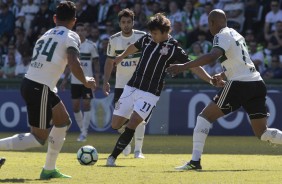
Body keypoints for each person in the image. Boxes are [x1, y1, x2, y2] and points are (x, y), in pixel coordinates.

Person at [166, 9, 282, 171]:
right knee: (263, 133)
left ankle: (195, 162)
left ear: (213, 23)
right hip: (257, 83)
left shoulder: (220, 36)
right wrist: (223, 74)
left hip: (240, 85)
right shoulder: (235, 33)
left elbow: (213, 56)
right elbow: (241, 62)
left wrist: (184, 66)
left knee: (204, 118)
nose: (208, 27)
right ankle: (194, 162)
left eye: (208, 23)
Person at [105, 13, 216, 167]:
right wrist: (122, 56)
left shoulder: (173, 47)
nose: (152, 35)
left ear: (165, 32)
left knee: (133, 123)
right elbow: (133, 47)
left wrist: (210, 79)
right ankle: (128, 131)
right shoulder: (146, 39)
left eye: (155, 33)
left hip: (150, 93)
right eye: (151, 32)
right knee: (115, 125)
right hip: (131, 86)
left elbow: (194, 66)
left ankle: (112, 158)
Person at [0, 1, 96, 179]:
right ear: (74, 21)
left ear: (54, 18)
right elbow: (73, 62)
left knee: (63, 122)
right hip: (40, 86)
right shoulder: (71, 35)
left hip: (35, 83)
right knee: (38, 138)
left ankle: (49, 169)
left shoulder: (46, 34)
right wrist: (86, 80)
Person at [103, 8, 147, 159]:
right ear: (119, 23)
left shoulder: (142, 37)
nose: (126, 25)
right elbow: (109, 62)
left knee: (139, 117)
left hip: (140, 84)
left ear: (133, 22)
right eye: (123, 22)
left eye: (129, 22)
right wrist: (106, 81)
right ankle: (126, 144)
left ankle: (138, 150)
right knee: (120, 119)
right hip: (121, 85)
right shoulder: (114, 39)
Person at [61, 22, 100, 142]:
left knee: (86, 105)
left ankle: (84, 132)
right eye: (78, 30)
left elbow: (96, 64)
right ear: (75, 32)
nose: (80, 32)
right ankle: (82, 129)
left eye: (82, 30)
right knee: (75, 106)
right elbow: (70, 65)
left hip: (87, 81)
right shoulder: (72, 46)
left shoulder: (91, 46)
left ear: (86, 32)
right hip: (74, 81)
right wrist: (65, 79)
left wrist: (97, 80)